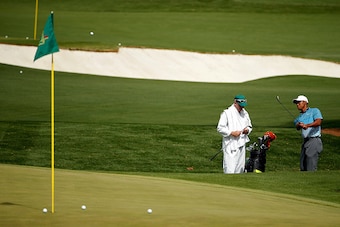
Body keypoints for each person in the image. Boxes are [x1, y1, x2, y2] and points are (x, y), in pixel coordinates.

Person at [217, 94, 252, 174]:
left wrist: (247, 130)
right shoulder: (227, 113)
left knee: (240, 168)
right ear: (235, 102)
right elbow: (220, 128)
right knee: (230, 168)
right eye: (240, 105)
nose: (242, 108)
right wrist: (231, 133)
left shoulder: (245, 113)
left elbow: (249, 126)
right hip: (230, 144)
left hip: (242, 143)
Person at [292, 95, 323, 171]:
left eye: (299, 102)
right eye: (296, 103)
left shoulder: (314, 111)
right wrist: (299, 125)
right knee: (303, 165)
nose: (297, 104)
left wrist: (307, 125)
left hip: (314, 140)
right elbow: (297, 127)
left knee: (310, 166)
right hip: (305, 141)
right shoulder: (299, 117)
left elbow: (318, 122)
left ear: (305, 102)